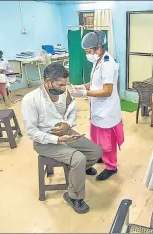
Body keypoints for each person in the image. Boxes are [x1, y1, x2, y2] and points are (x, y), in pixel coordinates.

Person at [21, 63, 102, 214]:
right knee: (78, 158)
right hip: (45, 141)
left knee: (96, 152)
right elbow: (31, 132)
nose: (64, 88)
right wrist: (58, 139)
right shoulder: (30, 100)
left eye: (65, 85)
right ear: (47, 81)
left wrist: (68, 124)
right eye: (60, 85)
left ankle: (78, 171)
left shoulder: (64, 93)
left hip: (65, 131)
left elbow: (73, 112)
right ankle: (73, 196)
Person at [70, 30, 124, 181]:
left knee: (107, 140)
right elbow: (95, 84)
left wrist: (85, 94)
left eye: (88, 51)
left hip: (107, 110)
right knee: (97, 137)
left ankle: (111, 166)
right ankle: (101, 156)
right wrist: (83, 87)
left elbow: (107, 91)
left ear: (98, 47)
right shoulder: (97, 61)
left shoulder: (108, 64)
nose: (87, 54)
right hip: (97, 109)